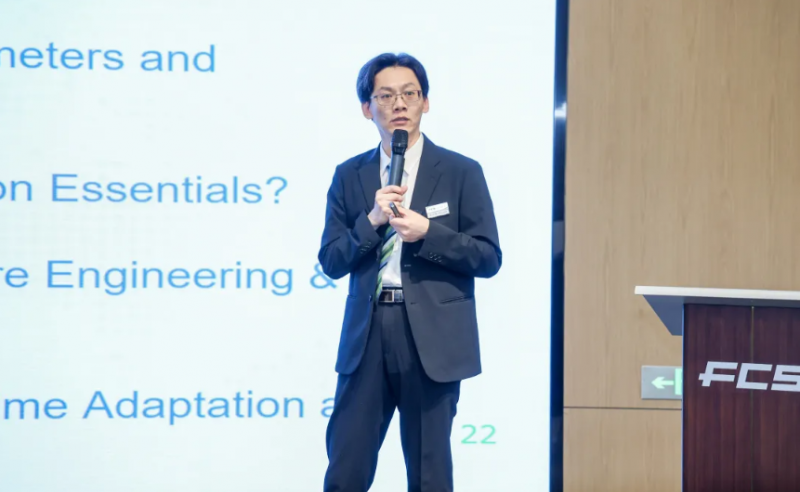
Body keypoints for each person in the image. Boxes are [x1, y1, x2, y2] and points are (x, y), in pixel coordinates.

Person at [318, 52, 502, 492]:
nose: (399, 104)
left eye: (410, 94)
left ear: (426, 102)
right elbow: (332, 260)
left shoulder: (461, 171)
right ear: (367, 108)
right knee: (346, 469)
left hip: (433, 339)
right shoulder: (350, 175)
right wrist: (372, 221)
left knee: (429, 473)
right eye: (386, 96)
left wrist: (428, 233)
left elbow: (488, 257)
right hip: (367, 335)